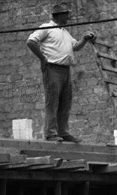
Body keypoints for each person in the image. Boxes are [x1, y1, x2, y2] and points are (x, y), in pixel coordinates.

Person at [27, 3, 95, 142]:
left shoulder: (64, 32)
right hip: (52, 68)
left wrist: (85, 38)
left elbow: (75, 46)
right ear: (58, 15)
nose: (68, 17)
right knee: (52, 102)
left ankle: (63, 132)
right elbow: (31, 41)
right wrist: (42, 59)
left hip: (65, 70)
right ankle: (51, 133)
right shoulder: (47, 28)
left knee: (65, 102)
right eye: (66, 14)